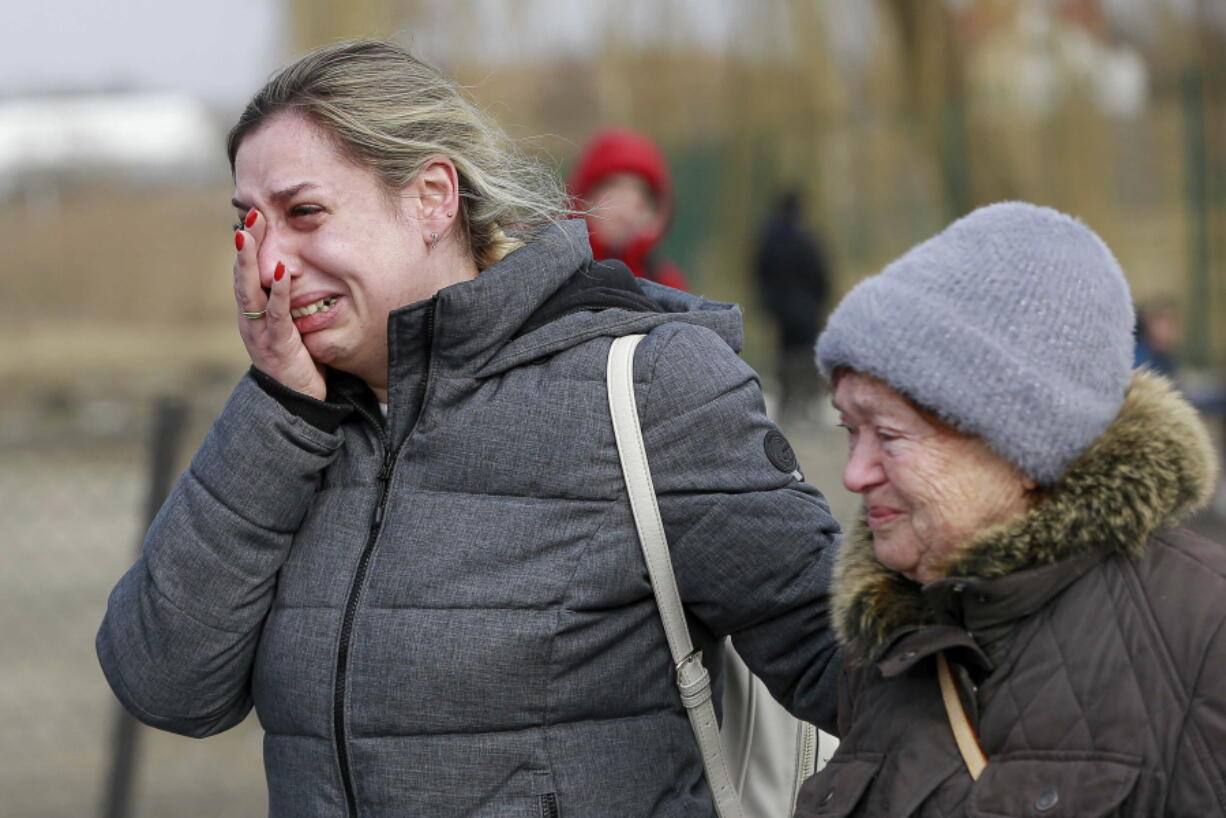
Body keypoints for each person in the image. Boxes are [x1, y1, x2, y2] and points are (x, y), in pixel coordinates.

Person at [95, 41, 842, 818]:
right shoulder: (294, 420)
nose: (270, 262)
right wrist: (279, 410)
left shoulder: (646, 386)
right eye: (249, 225)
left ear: (431, 199)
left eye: (304, 212)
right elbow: (164, 684)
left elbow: (857, 671)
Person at [794, 202, 1224, 816]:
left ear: (1024, 449)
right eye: (849, 429)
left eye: (888, 436)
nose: (854, 473)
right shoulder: (886, 636)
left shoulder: (1203, 633)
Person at [568, 127, 690, 290]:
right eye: (613, 186)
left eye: (640, 192)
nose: (626, 204)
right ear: (585, 196)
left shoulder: (666, 282)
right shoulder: (559, 272)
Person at [754, 188, 831, 424]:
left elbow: (760, 272)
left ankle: (788, 406)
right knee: (807, 354)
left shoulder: (769, 239)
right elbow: (819, 273)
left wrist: (769, 302)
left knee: (785, 354)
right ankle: (808, 405)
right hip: (806, 308)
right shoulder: (806, 239)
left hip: (781, 309)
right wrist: (819, 300)